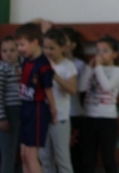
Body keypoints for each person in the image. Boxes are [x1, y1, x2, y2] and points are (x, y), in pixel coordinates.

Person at [15, 22, 57, 173]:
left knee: (32, 156)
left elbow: (48, 90)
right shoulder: (26, 61)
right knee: (24, 154)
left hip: (37, 110)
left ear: (35, 42)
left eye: (22, 45)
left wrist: (53, 109)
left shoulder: (43, 65)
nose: (20, 49)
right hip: (25, 108)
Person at [78, 35, 119, 173]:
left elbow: (107, 87)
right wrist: (88, 69)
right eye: (98, 51)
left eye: (105, 51)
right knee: (87, 159)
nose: (100, 54)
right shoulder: (92, 69)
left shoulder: (118, 71)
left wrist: (98, 68)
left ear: (115, 54)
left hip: (107, 119)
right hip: (89, 117)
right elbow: (80, 88)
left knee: (108, 158)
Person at [39, 29, 78, 173]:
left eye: (52, 48)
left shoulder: (68, 66)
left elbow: (73, 90)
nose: (48, 51)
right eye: (45, 47)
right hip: (43, 118)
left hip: (60, 119)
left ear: (62, 48)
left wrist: (55, 76)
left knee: (62, 161)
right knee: (45, 160)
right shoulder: (41, 63)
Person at [0, 36, 22, 173]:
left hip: (20, 112)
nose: (8, 54)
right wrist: (2, 117)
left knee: (23, 152)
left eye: (12, 50)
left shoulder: (22, 66)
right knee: (8, 153)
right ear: (0, 52)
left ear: (18, 51)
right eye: (5, 51)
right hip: (6, 112)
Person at [61, 26, 88, 173]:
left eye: (64, 41)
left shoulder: (79, 65)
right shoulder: (54, 63)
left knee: (75, 154)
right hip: (59, 114)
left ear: (72, 45)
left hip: (75, 114)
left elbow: (79, 90)